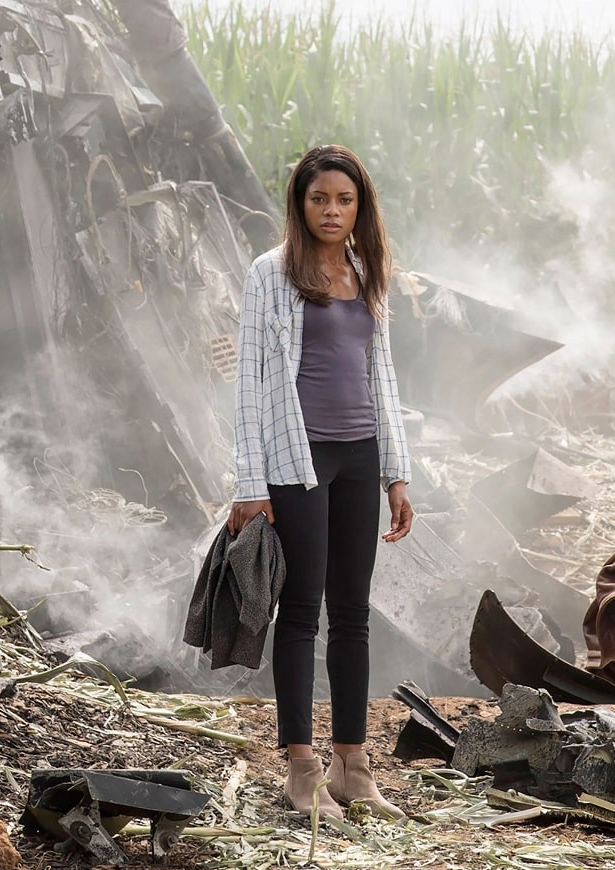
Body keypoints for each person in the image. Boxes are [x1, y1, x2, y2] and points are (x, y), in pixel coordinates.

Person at [228, 144, 414, 820]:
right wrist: (250, 482)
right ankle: (302, 770)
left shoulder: (366, 272)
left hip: (360, 455)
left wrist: (396, 472)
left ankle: (353, 767)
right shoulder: (269, 275)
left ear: (360, 207)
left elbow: (380, 375)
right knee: (302, 609)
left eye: (344, 200)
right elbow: (249, 383)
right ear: (300, 204)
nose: (331, 211)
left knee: (353, 613)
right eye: (319, 199)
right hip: (297, 459)